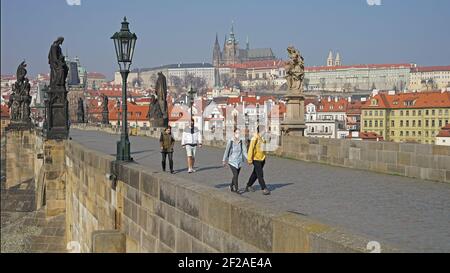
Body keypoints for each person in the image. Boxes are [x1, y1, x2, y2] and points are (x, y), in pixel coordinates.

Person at [245, 125, 271, 195]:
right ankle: (264, 188)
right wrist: (249, 159)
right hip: (256, 159)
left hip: (262, 159)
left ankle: (248, 185)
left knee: (255, 173)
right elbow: (250, 149)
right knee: (260, 174)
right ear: (261, 131)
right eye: (264, 130)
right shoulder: (255, 138)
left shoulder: (263, 138)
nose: (265, 131)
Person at [222, 128, 248, 193]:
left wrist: (248, 158)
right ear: (234, 133)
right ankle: (236, 189)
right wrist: (224, 160)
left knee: (235, 175)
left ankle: (231, 186)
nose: (238, 134)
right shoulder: (230, 141)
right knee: (236, 175)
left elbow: (244, 151)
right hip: (232, 161)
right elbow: (227, 150)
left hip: (239, 161)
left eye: (239, 133)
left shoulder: (241, 141)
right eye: (236, 133)